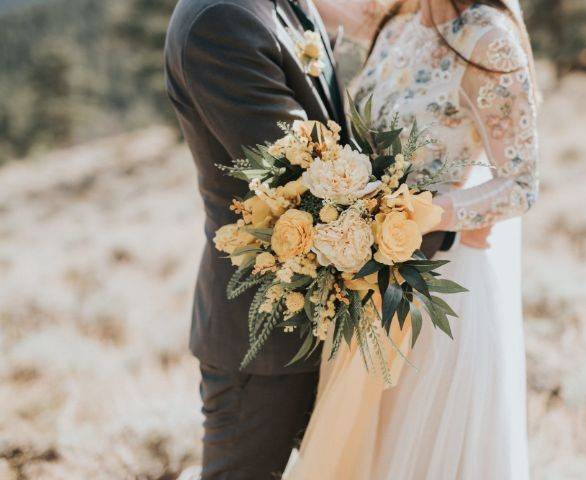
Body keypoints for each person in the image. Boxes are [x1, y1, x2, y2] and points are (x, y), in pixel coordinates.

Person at [164, 0, 450, 477]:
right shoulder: (218, 20)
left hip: (332, 311)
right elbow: (310, 182)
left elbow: (334, 130)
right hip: (265, 335)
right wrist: (442, 215)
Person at [282, 0, 539, 478]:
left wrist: (422, 215)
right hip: (370, 283)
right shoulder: (397, 18)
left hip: (438, 290)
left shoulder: (488, 40)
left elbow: (521, 183)